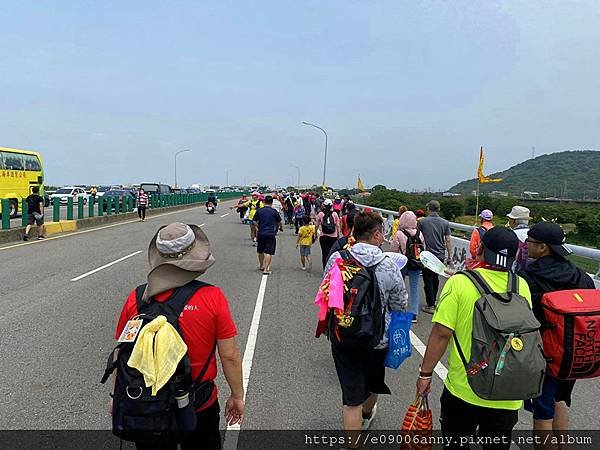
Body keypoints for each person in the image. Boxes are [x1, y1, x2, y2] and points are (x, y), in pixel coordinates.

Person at [112, 223, 244, 449]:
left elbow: (121, 352)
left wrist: (116, 397)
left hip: (147, 406)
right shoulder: (212, 297)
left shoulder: (136, 299)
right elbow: (229, 355)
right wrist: (237, 395)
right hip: (199, 403)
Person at [416, 227, 531, 449]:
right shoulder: (521, 286)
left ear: (479, 249)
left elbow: (441, 333)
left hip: (464, 388)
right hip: (506, 391)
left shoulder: (459, 283)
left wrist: (425, 374)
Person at [324, 211, 408, 438]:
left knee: (351, 399)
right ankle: (367, 413)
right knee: (372, 382)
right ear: (377, 234)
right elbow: (400, 302)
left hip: (344, 334)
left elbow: (326, 293)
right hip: (377, 337)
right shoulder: (388, 264)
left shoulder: (338, 258)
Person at [518, 222, 595, 440]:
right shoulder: (581, 275)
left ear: (542, 247)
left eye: (529, 241)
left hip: (545, 355)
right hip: (574, 353)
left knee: (542, 414)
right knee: (559, 400)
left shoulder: (528, 277)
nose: (526, 245)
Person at [390, 211, 425, 323]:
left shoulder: (400, 233)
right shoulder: (419, 233)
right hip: (415, 263)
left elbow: (393, 249)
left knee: (399, 287)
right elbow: (423, 248)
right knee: (414, 288)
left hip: (402, 263)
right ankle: (414, 313)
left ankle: (399, 310)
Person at [418, 200, 452, 314]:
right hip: (440, 254)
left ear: (428, 209)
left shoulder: (422, 222)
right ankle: (434, 301)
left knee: (428, 279)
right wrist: (450, 256)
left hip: (427, 255)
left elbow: (418, 237)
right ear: (439, 209)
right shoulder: (445, 223)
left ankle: (430, 304)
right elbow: (448, 240)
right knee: (435, 278)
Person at [253, 195, 283, 275]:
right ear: (272, 203)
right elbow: (279, 222)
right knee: (268, 252)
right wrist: (280, 227)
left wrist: (257, 228)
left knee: (260, 251)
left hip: (261, 233)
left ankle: (261, 266)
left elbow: (254, 221)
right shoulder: (274, 211)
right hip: (270, 233)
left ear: (264, 202)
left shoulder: (259, 211)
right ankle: (266, 269)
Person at [315, 199, 341, 270]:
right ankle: (332, 269)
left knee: (325, 254)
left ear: (324, 206)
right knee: (332, 254)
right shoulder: (335, 214)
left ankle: (325, 269)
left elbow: (316, 225)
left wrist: (315, 234)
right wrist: (338, 235)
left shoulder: (320, 214)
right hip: (333, 237)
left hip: (324, 237)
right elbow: (338, 226)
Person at [507, 205, 531, 271]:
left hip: (513, 273)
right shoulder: (533, 235)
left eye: (509, 219)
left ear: (514, 221)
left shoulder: (510, 235)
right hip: (530, 272)